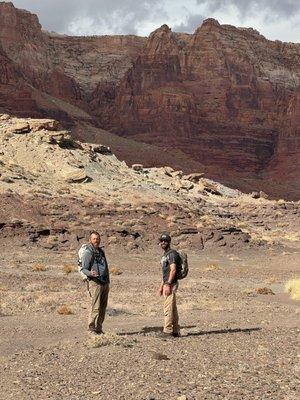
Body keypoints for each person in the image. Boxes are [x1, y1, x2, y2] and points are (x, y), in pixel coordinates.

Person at [80, 231, 110, 335]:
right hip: (95, 283)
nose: (96, 240)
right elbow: (83, 269)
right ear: (90, 240)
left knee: (103, 307)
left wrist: (107, 281)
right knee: (95, 307)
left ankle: (99, 328)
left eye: (97, 238)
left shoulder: (101, 252)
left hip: (104, 282)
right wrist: (90, 273)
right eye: (94, 239)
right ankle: (91, 328)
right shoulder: (88, 252)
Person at [158, 233, 181, 338]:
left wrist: (168, 284)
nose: (163, 242)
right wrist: (161, 285)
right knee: (172, 307)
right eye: (162, 241)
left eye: (165, 241)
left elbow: (173, 270)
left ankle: (167, 331)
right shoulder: (165, 255)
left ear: (169, 242)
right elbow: (165, 272)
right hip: (167, 283)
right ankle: (175, 330)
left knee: (167, 307)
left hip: (171, 284)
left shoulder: (172, 254)